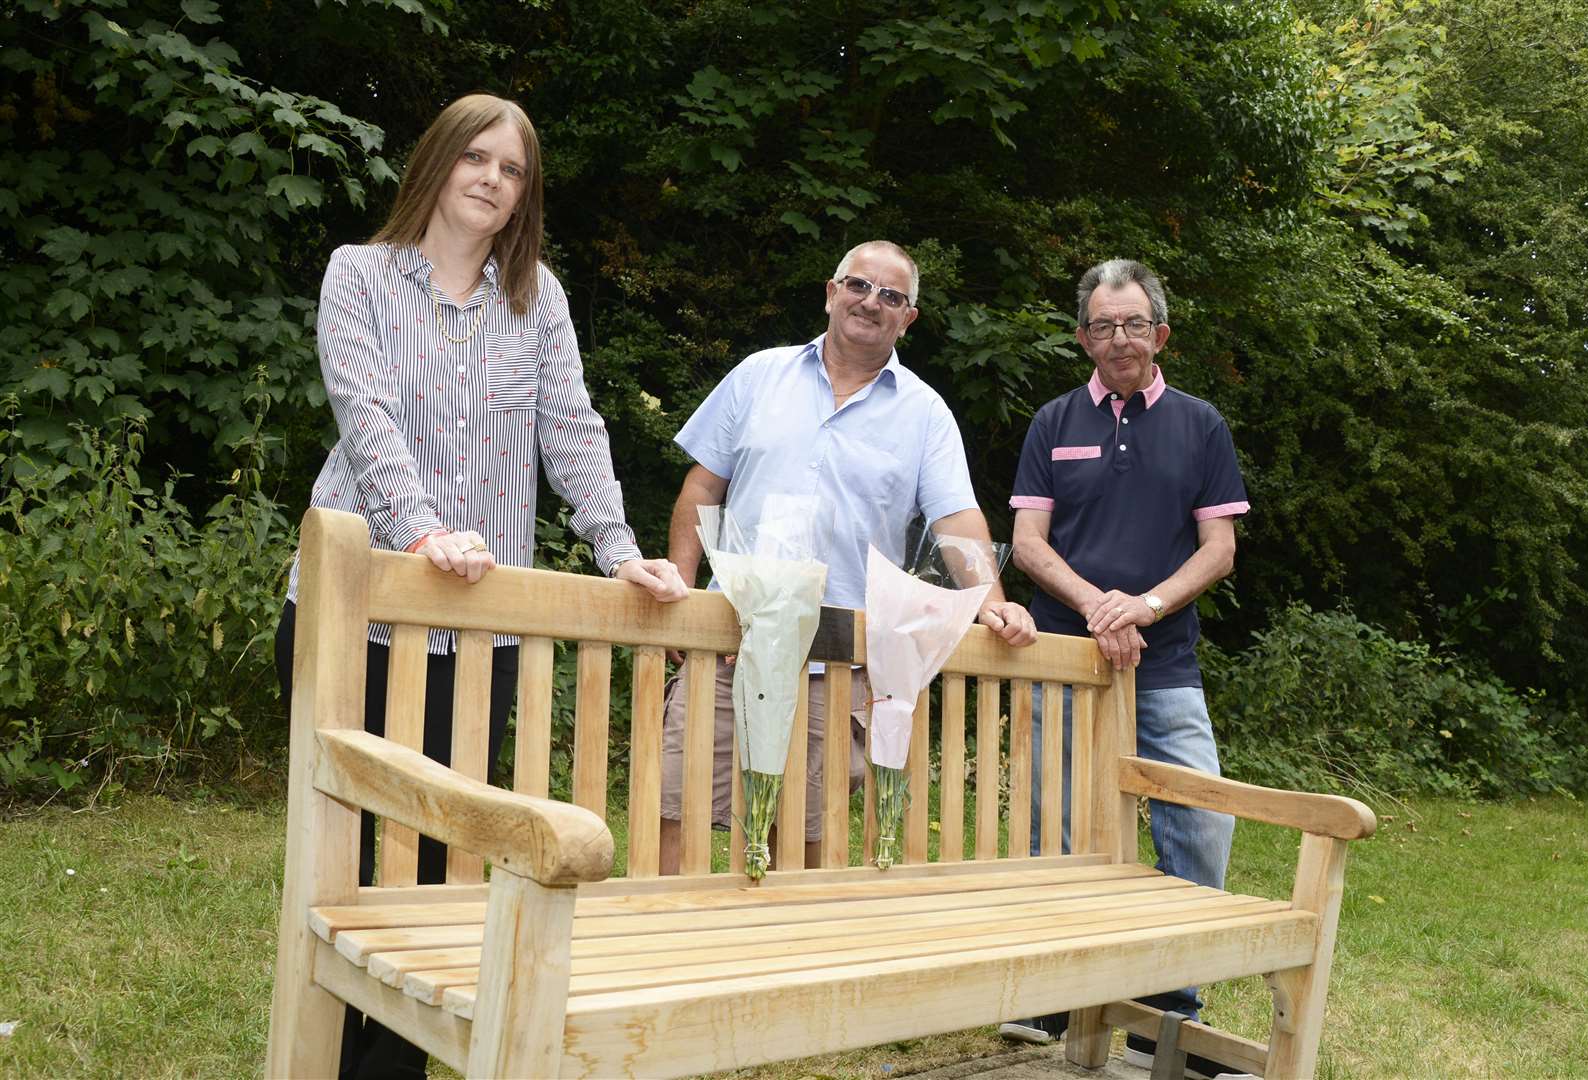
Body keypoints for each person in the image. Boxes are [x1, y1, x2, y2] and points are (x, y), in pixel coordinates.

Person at [273, 93, 686, 1080]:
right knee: (346, 860)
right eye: (478, 158)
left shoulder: (535, 299)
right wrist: (420, 533)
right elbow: (365, 413)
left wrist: (619, 548)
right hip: (356, 608)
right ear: (437, 163)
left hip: (479, 628)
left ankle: (388, 1068)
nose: (494, 179)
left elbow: (573, 431)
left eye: (514, 170)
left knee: (437, 863)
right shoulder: (358, 276)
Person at [656, 240, 1038, 875]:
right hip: (729, 642)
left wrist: (991, 606)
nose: (872, 302)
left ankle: (782, 963)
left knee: (803, 840)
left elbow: (957, 521)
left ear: (908, 319)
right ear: (831, 292)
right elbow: (702, 487)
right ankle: (664, 959)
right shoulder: (758, 375)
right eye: (859, 286)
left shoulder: (925, 415)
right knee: (676, 813)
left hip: (835, 666)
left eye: (892, 296)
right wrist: (686, 591)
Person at [998, 259, 1253, 1080]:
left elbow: (1219, 548)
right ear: (1083, 338)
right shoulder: (1053, 420)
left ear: (1161, 333)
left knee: (1200, 826)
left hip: (1165, 660)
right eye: (1102, 326)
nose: (1119, 339)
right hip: (1064, 658)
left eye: (1134, 324)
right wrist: (1099, 607)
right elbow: (1028, 543)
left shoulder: (1200, 424)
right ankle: (1053, 995)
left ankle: (1167, 1012)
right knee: (1054, 828)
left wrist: (1140, 607)